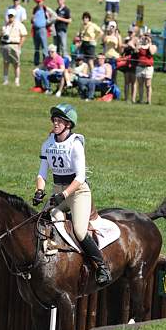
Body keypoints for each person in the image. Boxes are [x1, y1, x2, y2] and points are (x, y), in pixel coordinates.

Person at [32, 103, 111, 287]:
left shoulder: (75, 144)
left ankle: (101, 266)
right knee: (46, 219)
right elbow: (42, 173)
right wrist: (39, 190)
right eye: (54, 120)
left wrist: (65, 194)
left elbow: (81, 176)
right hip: (58, 191)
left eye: (59, 120)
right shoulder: (48, 144)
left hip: (78, 192)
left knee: (80, 231)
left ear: (68, 124)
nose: (55, 123)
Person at [0, 8, 27, 86]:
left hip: (15, 45)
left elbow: (24, 36)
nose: (10, 17)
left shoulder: (19, 25)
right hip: (5, 45)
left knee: (16, 64)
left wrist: (19, 46)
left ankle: (17, 80)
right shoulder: (5, 25)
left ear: (14, 16)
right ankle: (5, 80)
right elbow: (1, 36)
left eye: (12, 16)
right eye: (9, 16)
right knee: (5, 63)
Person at [133, 31, 156, 105]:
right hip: (140, 67)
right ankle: (140, 100)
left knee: (148, 85)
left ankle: (148, 100)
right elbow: (136, 51)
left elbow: (152, 52)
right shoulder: (140, 45)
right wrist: (139, 41)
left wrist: (149, 43)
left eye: (148, 36)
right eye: (145, 36)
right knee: (140, 84)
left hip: (148, 68)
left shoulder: (153, 46)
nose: (146, 38)